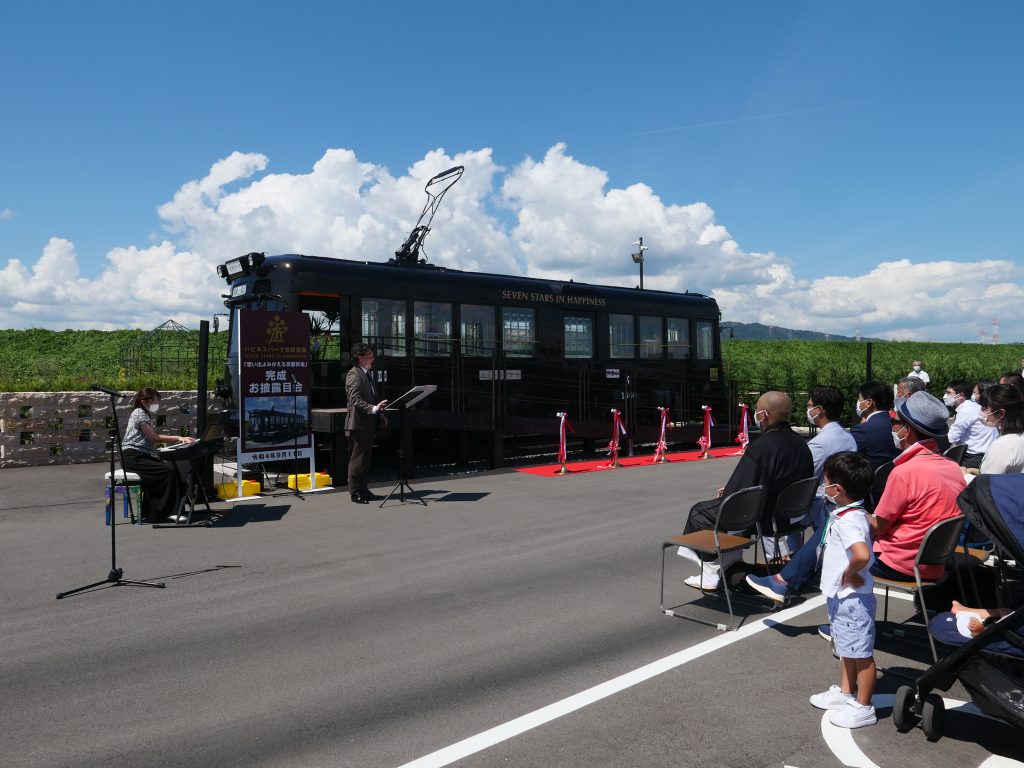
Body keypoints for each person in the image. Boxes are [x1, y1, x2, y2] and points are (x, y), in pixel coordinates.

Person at [746, 391, 964, 611]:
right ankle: (786, 581)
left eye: (894, 421)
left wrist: (848, 510)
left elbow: (879, 526)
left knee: (837, 524)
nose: (891, 427)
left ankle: (803, 594)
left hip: (901, 562)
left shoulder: (905, 473)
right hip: (935, 562)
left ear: (906, 430)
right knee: (838, 522)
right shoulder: (951, 467)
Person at [678, 391, 813, 590]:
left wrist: (729, 493)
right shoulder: (801, 444)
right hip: (789, 515)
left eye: (757, 411)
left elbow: (739, 489)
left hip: (763, 516)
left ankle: (711, 569)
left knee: (700, 512)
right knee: (731, 508)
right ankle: (730, 564)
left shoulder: (762, 446)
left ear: (764, 415)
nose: (756, 415)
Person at [808, 452, 878, 729]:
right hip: (842, 597)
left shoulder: (848, 520)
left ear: (837, 489)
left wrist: (850, 574)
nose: (823, 487)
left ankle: (863, 706)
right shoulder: (853, 512)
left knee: (862, 654)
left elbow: (861, 554)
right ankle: (846, 692)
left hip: (852, 599)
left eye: (825, 482)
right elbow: (872, 525)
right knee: (847, 648)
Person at [785, 386, 857, 555]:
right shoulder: (847, 436)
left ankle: (792, 559)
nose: (808, 409)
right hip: (841, 499)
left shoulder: (819, 444)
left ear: (819, 410)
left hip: (821, 503)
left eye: (810, 406)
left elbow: (803, 477)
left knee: (775, 511)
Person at [121, 387, 195, 522]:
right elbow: (153, 437)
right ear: (144, 401)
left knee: (173, 470)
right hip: (133, 456)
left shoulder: (145, 413)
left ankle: (168, 510)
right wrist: (178, 438)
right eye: (154, 401)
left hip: (142, 455)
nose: (156, 404)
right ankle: (167, 512)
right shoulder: (139, 413)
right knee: (168, 471)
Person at [345, 343, 388, 504]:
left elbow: (373, 398)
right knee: (357, 460)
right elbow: (355, 399)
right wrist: (373, 409)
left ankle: (363, 490)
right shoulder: (354, 374)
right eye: (369, 356)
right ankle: (355, 493)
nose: (373, 359)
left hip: (368, 423)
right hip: (357, 424)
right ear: (360, 357)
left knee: (365, 459)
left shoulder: (367, 374)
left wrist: (380, 413)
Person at [945, 379, 998, 469]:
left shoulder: (965, 410)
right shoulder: (971, 407)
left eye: (949, 393)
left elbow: (951, 438)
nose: (945, 396)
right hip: (983, 454)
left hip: (973, 457)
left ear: (960, 395)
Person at [972, 384, 1024, 475]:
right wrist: (971, 471)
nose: (981, 411)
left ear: (1001, 413)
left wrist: (965, 475)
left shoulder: (1003, 445)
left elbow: (987, 484)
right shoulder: (1017, 437)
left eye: (984, 408)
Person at [850, 380, 900, 469]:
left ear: (868, 403)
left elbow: (848, 460)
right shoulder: (900, 426)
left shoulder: (862, 430)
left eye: (860, 399)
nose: (858, 403)